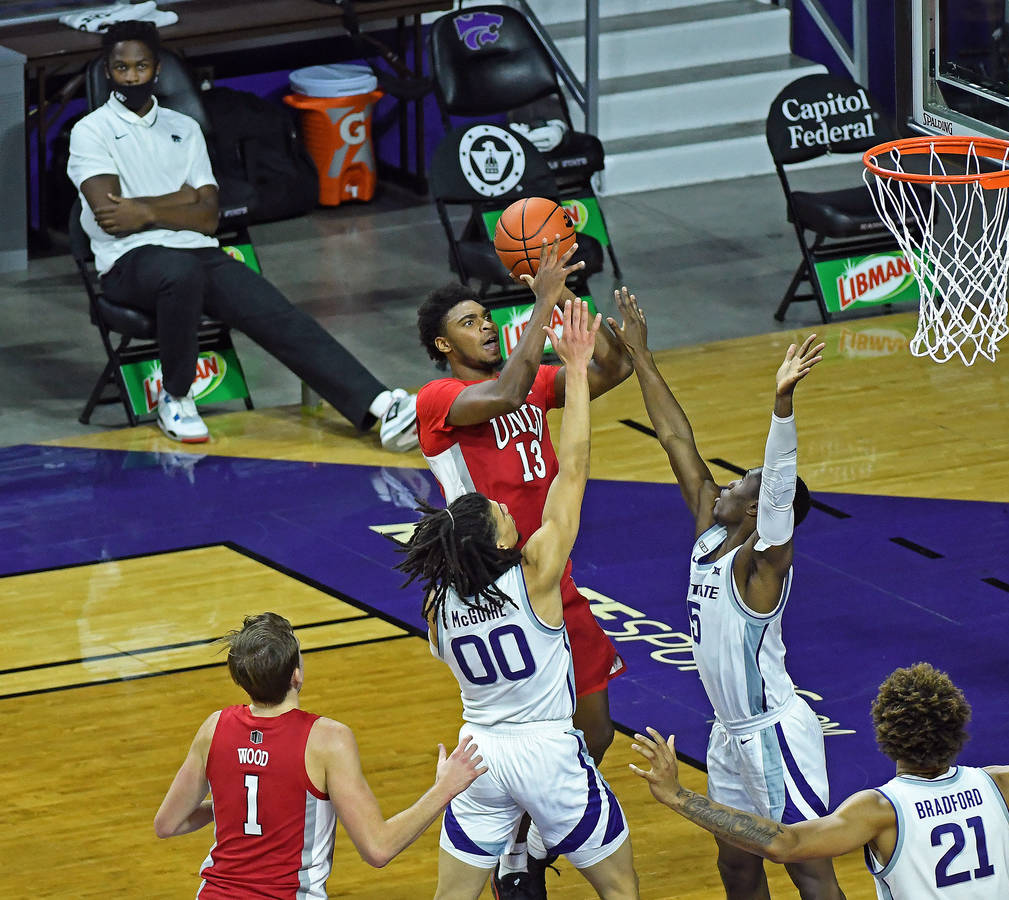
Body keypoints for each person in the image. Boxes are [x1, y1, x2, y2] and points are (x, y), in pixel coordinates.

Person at [68, 20, 419, 448]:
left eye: (140, 66)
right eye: (121, 68)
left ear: (156, 69)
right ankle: (175, 397)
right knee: (179, 272)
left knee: (273, 309)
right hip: (129, 262)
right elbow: (111, 215)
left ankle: (381, 406)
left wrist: (145, 209)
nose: (131, 76)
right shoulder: (91, 131)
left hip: (198, 251)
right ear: (108, 71)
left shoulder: (185, 128)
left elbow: (208, 217)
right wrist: (181, 200)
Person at [398, 298, 639, 900]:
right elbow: (519, 405)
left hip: (548, 581)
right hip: (502, 578)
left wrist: (593, 324)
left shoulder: (531, 380)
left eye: (486, 316)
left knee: (598, 730)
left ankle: (525, 840)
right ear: (442, 345)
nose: (484, 325)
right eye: (468, 322)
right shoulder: (439, 398)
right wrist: (544, 299)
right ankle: (517, 841)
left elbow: (612, 370)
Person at [608, 289, 843, 900]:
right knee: (737, 867)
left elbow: (778, 487)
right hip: (728, 733)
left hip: (775, 736)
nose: (728, 484)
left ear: (761, 511)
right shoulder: (710, 534)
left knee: (808, 869)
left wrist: (782, 405)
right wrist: (640, 355)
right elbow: (675, 439)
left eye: (742, 483)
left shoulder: (759, 567)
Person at [631, 661, 1009, 899]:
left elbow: (783, 843)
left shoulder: (880, 811)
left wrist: (678, 795)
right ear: (958, 729)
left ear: (885, 736)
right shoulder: (1006, 787)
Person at [153, 611, 487, 898]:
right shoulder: (327, 740)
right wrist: (445, 788)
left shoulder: (214, 728)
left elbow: (168, 824)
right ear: (295, 675)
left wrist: (231, 806)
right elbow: (379, 848)